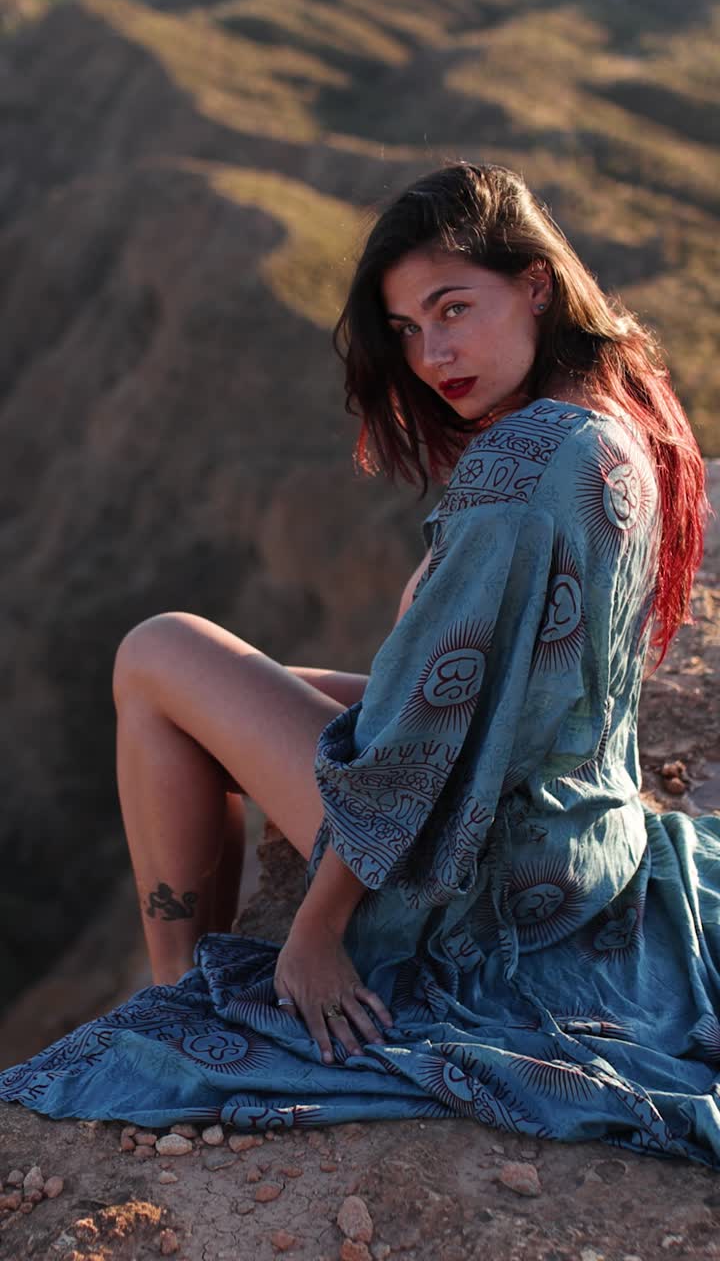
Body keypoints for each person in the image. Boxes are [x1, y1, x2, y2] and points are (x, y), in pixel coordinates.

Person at [1, 162, 719, 1166]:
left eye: (454, 307)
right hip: (584, 839)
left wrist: (318, 930)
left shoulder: (520, 468)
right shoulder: (619, 407)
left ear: (535, 285)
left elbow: (418, 741)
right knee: (250, 682)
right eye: (410, 329)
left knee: (157, 654)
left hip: (487, 880)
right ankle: (187, 969)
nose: (434, 353)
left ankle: (180, 994)